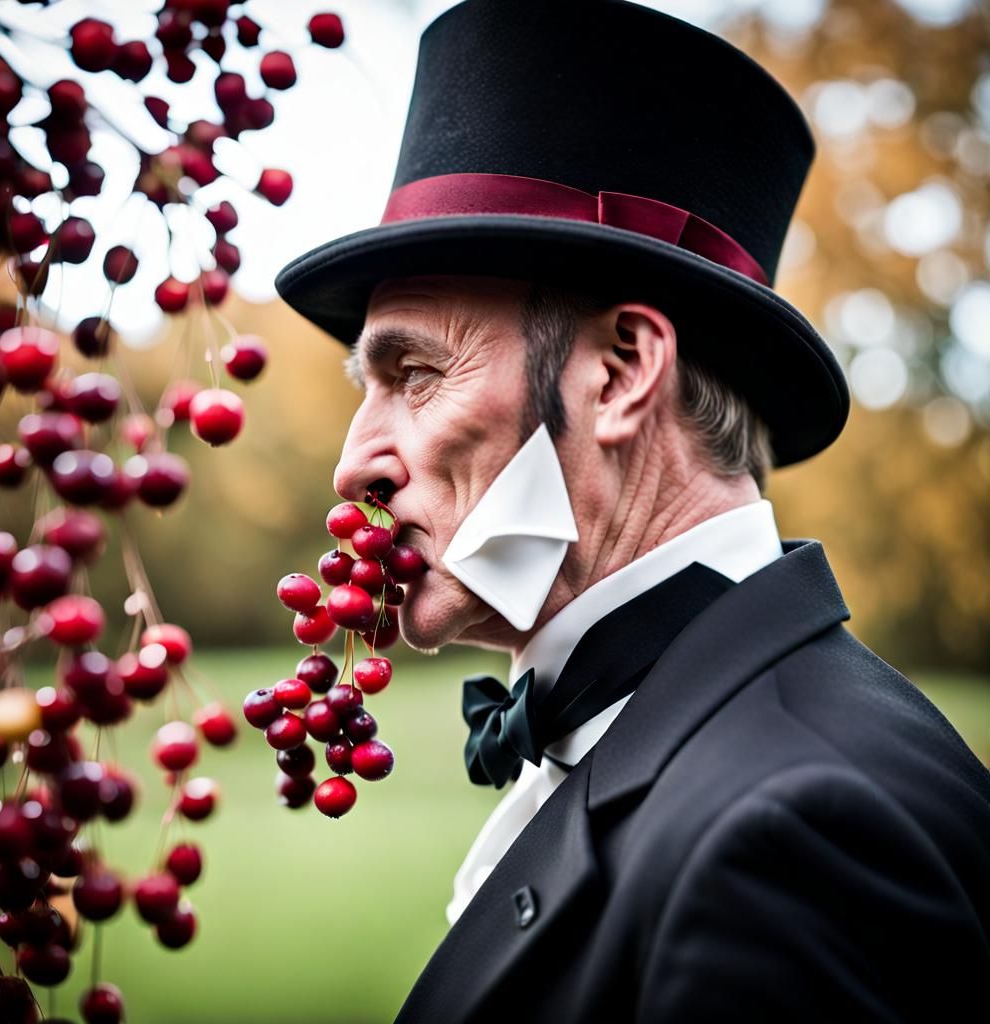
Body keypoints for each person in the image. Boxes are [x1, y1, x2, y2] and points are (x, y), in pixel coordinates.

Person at [276, 1, 990, 1020]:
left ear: (617, 373)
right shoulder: (727, 743)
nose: (355, 465)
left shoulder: (790, 835)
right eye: (367, 387)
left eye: (415, 373)